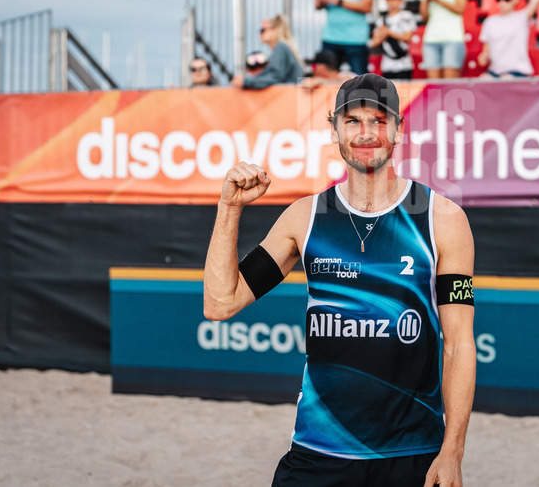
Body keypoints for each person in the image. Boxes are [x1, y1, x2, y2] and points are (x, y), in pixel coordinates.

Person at [203, 73, 476, 486]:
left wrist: (453, 450)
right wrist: (229, 208)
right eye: (352, 121)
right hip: (319, 452)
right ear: (334, 130)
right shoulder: (306, 216)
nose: (366, 133)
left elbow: (458, 344)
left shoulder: (443, 219)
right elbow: (221, 302)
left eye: (378, 120)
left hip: (412, 453)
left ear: (399, 130)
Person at [478, 0, 539, 78]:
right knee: (483, 80)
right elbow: (486, 51)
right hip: (495, 71)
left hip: (517, 70)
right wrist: (484, 57)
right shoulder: (489, 21)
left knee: (506, 79)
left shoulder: (521, 17)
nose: (502, 2)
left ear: (516, 0)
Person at [231, 15, 304, 89]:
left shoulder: (280, 47)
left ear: (274, 30)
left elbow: (274, 77)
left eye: (262, 30)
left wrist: (245, 81)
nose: (260, 33)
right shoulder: (282, 48)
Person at [370, 0, 417, 80]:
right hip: (387, 65)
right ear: (386, 0)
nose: (392, 2)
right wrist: (381, 36)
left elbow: (407, 37)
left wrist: (388, 32)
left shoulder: (407, 16)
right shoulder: (381, 20)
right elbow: (373, 43)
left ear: (401, 0)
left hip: (404, 65)